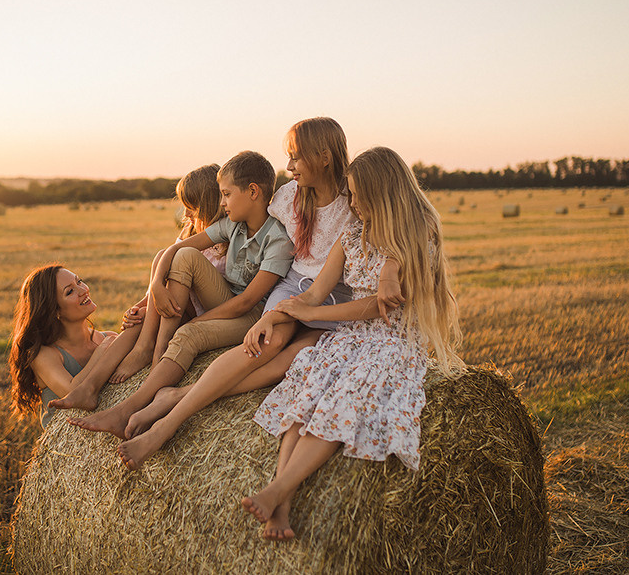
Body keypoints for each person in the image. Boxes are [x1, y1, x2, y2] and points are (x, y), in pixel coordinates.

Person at [115, 117, 402, 470]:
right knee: (267, 344)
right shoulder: (287, 198)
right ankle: (166, 425)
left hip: (334, 297)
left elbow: (398, 227)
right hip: (292, 287)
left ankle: (178, 394)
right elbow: (241, 213)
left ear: (325, 156)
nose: (289, 166)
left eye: (296, 157)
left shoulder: (354, 198)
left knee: (287, 362)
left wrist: (391, 267)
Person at [241, 146, 465, 541]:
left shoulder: (420, 237)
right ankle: (283, 502)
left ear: (383, 194)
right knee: (305, 396)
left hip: (391, 343)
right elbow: (312, 296)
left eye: (359, 195)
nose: (353, 203)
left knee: (344, 400)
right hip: (349, 339)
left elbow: (378, 309)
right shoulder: (351, 235)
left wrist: (319, 313)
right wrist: (273, 316)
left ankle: (277, 491)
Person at [53, 150, 294, 437]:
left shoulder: (277, 238)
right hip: (227, 297)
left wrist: (194, 323)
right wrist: (155, 285)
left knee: (188, 335)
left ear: (253, 191)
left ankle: (127, 409)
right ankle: (157, 352)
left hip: (252, 316)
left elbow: (246, 303)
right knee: (186, 257)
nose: (222, 203)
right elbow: (174, 250)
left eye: (227, 194)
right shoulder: (234, 225)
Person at [108, 164, 228, 384]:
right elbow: (164, 265)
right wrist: (141, 305)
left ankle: (155, 352)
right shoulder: (188, 231)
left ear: (209, 203)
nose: (186, 214)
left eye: (192, 206)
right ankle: (88, 383)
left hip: (211, 312)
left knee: (178, 258)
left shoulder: (227, 235)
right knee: (140, 318)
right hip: (181, 307)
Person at [8, 264, 143, 428]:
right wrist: (101, 353)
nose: (83, 290)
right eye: (70, 291)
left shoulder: (109, 339)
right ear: (54, 311)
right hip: (69, 446)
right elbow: (74, 394)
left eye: (79, 281)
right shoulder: (44, 355)